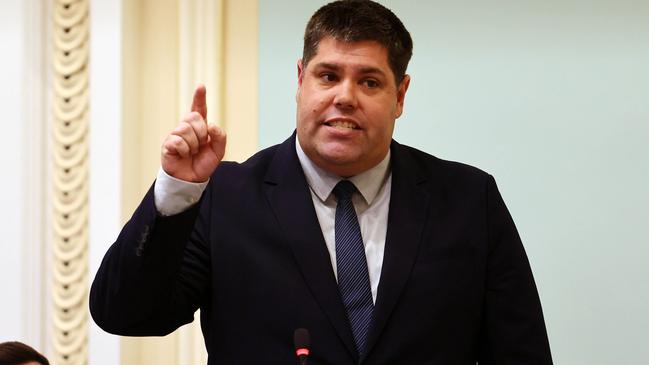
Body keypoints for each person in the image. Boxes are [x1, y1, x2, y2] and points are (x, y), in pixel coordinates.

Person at [90, 1, 553, 364]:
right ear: (300, 79)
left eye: (369, 82)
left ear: (401, 95)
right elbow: (126, 314)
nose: (344, 97)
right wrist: (176, 192)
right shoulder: (226, 197)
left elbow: (520, 354)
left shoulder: (469, 200)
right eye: (328, 76)